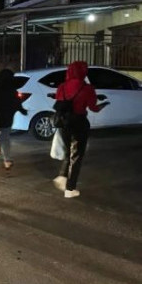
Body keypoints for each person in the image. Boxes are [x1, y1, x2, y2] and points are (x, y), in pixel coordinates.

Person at [52, 61, 108, 198]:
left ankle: (62, 176)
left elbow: (60, 103)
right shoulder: (87, 88)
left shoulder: (62, 87)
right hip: (79, 123)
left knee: (67, 151)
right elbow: (93, 108)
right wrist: (103, 105)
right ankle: (70, 189)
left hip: (63, 123)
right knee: (76, 156)